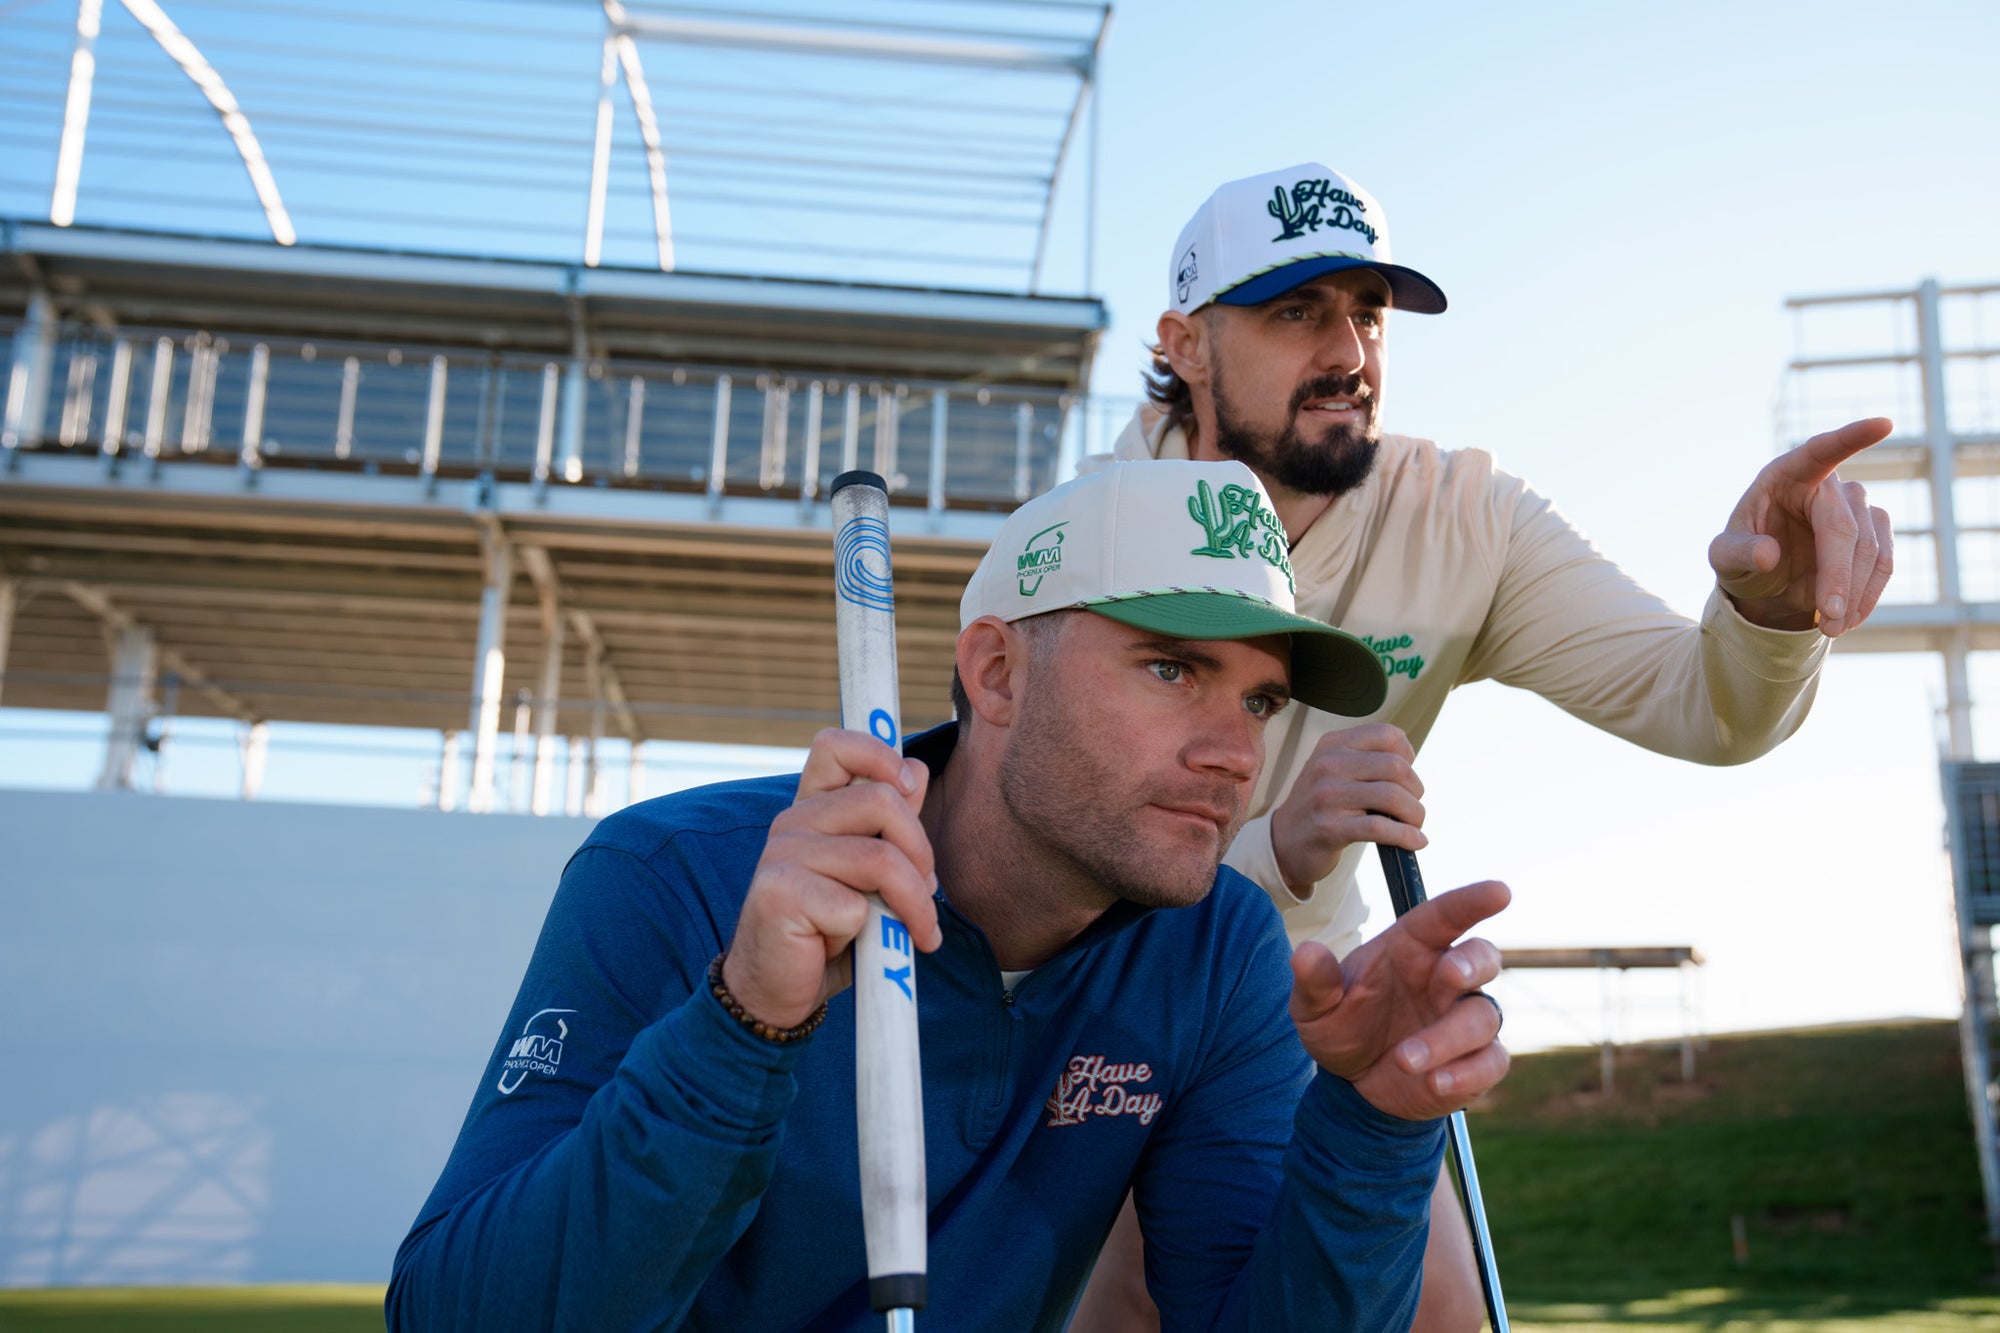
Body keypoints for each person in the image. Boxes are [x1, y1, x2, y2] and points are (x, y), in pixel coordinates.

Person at [386, 458, 1515, 1332]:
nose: (1234, 754)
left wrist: (1373, 1121)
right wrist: (743, 1023)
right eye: (1171, 669)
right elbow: (452, 1312)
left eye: (1262, 703)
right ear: (994, 672)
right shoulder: (672, 872)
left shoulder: (1215, 944)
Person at [1075, 161, 1895, 1332]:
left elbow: (1705, 709)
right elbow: (1053, 873)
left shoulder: (1468, 512)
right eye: (1295, 311)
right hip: (1106, 988)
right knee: (1126, 1306)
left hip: (1312, 989)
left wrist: (1767, 616)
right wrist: (1277, 847)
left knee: (1436, 1310)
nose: (1349, 351)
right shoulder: (1078, 539)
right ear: (1186, 344)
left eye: (1366, 311)